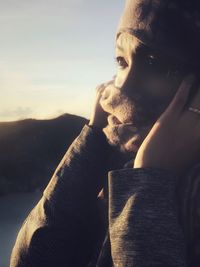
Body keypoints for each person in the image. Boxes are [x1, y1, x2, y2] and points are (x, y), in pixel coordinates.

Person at [10, 0, 200, 266]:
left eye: (154, 62)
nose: (124, 85)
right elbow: (34, 258)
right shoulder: (117, 151)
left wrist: (146, 183)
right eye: (121, 60)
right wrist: (93, 137)